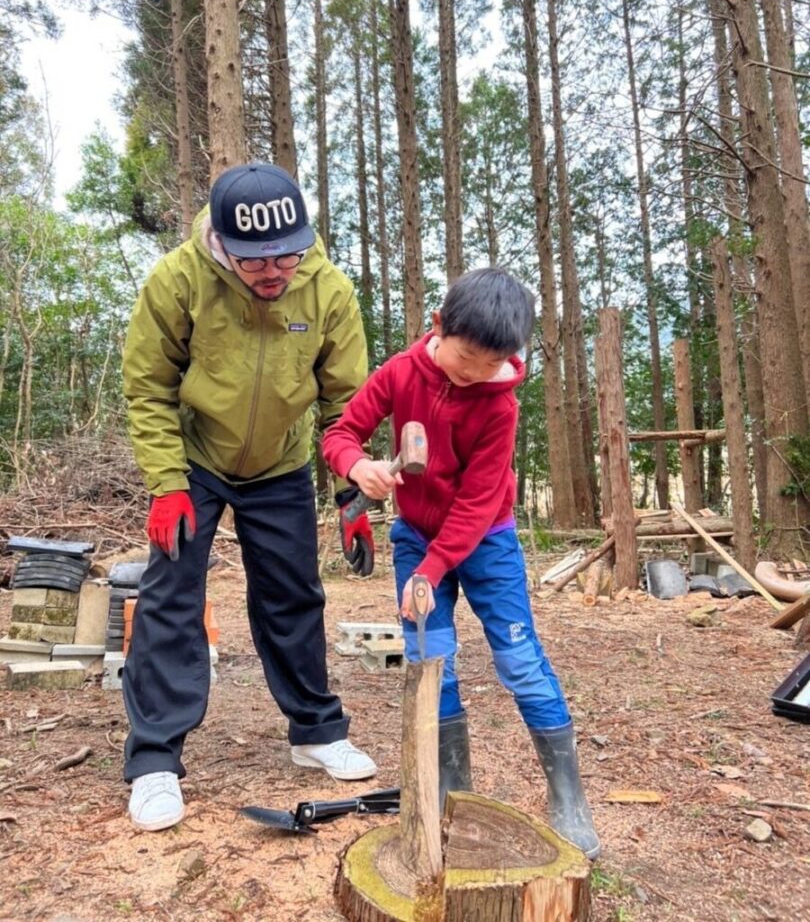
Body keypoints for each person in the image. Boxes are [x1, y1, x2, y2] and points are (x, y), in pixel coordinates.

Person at [122, 162, 377, 833]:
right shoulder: (176, 281)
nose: (274, 272)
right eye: (255, 260)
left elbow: (346, 400)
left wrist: (351, 491)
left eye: (287, 255)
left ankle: (316, 731)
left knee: (294, 593)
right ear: (221, 246)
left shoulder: (326, 290)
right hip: (195, 459)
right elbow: (148, 388)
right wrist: (166, 485)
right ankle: (154, 759)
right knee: (172, 596)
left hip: (281, 461)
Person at [322, 268, 600, 858]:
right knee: (431, 662)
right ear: (440, 326)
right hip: (417, 537)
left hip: (485, 542)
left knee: (520, 661)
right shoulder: (400, 373)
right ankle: (450, 793)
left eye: (490, 362)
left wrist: (433, 568)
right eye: (466, 355)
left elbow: (477, 504)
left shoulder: (500, 408)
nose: (474, 372)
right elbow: (341, 433)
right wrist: (356, 466)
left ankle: (568, 795)